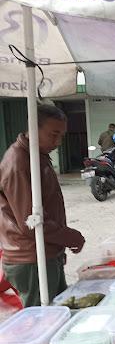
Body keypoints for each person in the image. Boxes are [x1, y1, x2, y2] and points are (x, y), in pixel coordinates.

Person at [0, 104, 86, 306]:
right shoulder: (19, 163)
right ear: (33, 128)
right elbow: (31, 222)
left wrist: (59, 247)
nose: (58, 142)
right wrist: (69, 236)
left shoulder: (37, 155)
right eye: (53, 134)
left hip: (45, 252)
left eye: (62, 136)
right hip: (31, 257)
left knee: (59, 311)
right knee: (43, 321)